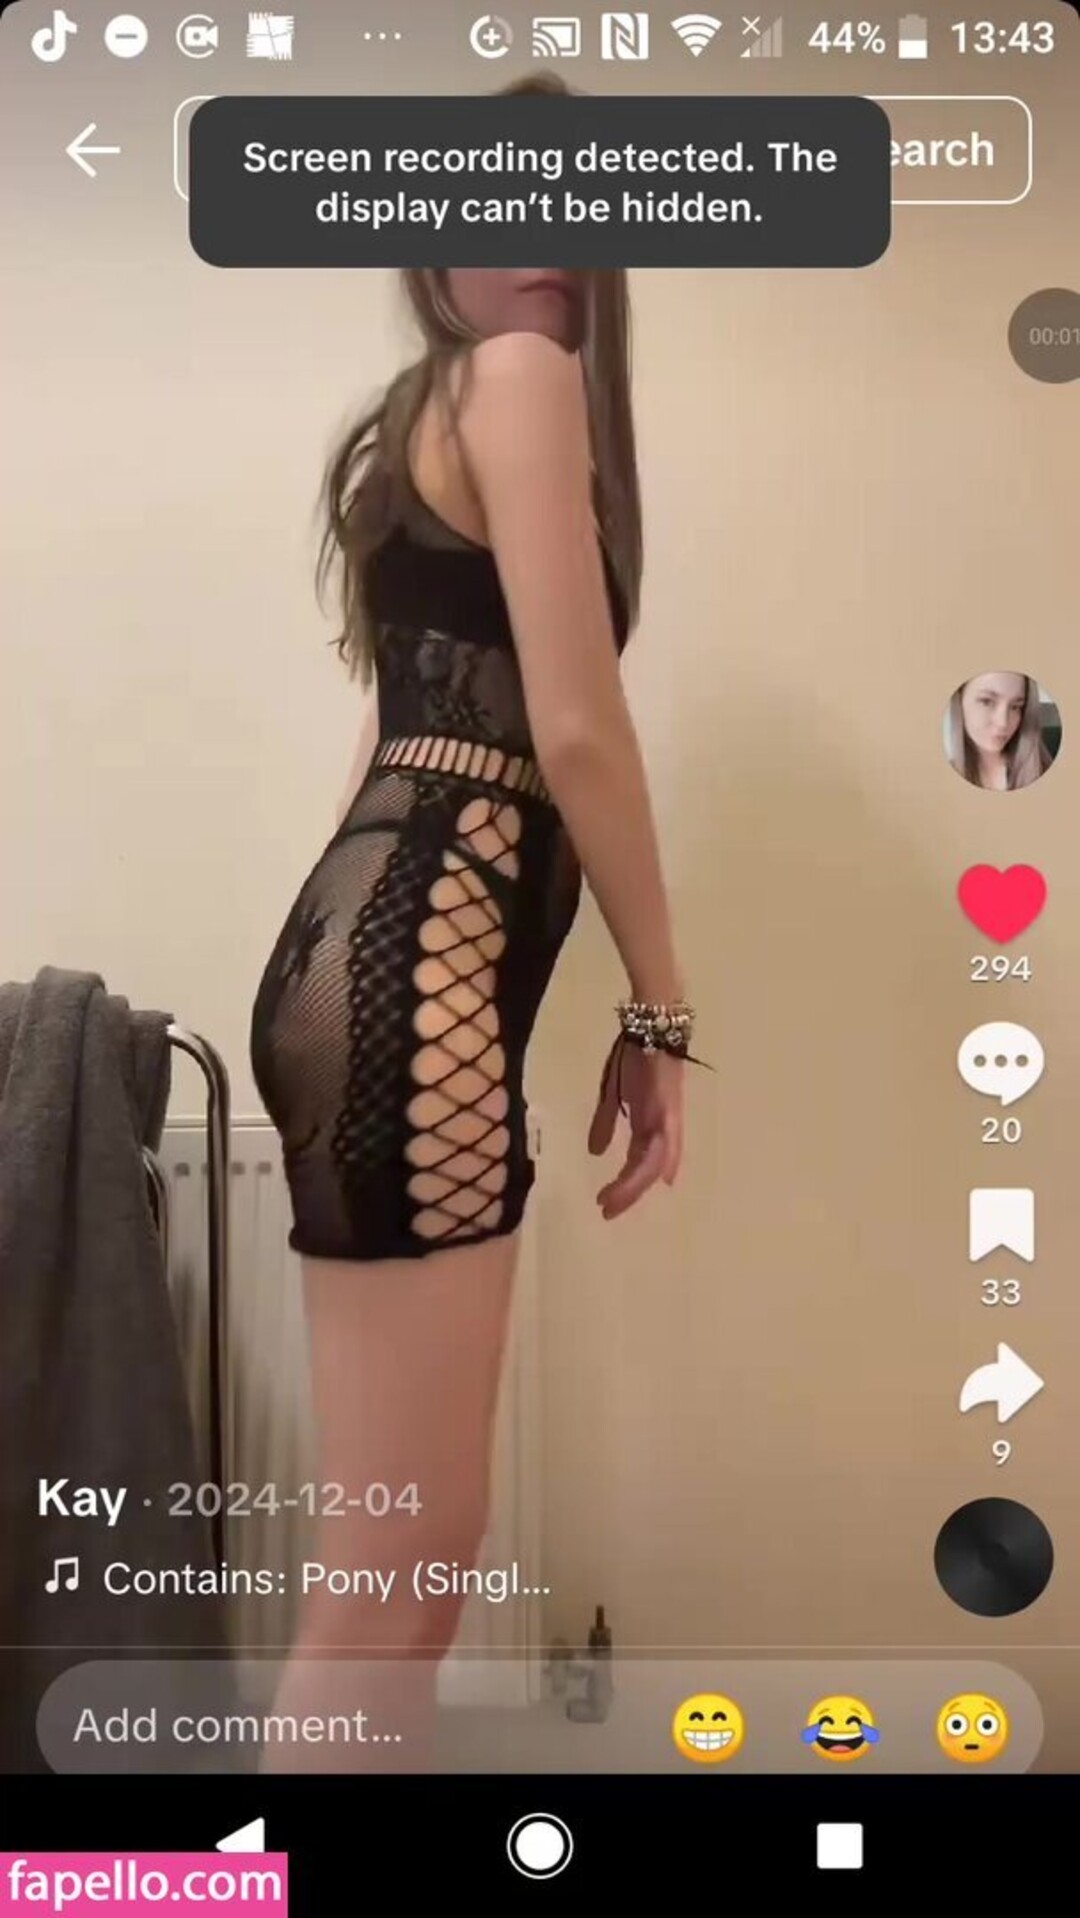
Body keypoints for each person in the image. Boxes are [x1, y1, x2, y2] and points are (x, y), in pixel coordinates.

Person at [247, 233, 698, 1767]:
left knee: (409, 1567)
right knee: (392, 1578)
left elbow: (397, 742)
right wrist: (661, 1011)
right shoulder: (517, 378)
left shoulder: (418, 422)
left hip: (385, 968)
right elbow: (576, 730)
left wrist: (343, 994)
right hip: (415, 976)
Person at [946, 671, 1051, 791]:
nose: (1003, 723)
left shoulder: (1043, 768)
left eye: (1015, 707)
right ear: (959, 700)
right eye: (986, 701)